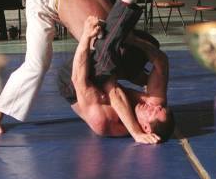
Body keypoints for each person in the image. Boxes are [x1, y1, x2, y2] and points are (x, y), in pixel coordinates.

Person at [0, 0, 157, 136]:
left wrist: (149, 91)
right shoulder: (106, 47)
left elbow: (138, 74)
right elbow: (114, 91)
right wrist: (136, 131)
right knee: (37, 65)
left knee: (109, 39)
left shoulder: (123, 34)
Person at [58, 10, 174, 143]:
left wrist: (86, 35)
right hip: (104, 76)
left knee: (108, 58)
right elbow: (162, 62)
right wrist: (134, 41)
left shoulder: (104, 121)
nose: (152, 106)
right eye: (158, 108)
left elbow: (79, 80)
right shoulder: (151, 105)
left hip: (73, 80)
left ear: (146, 128)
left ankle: (127, 0)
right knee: (150, 44)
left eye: (152, 112)